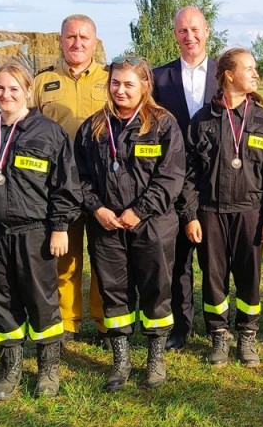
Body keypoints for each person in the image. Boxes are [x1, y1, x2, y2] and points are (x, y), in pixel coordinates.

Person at [0, 63, 80, 400]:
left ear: (28, 90)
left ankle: (48, 368)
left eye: (14, 88)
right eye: (0, 88)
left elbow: (65, 186)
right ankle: (10, 366)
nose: (6, 94)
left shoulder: (49, 132)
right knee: (0, 302)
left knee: (41, 301)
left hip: (33, 232)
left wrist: (59, 227)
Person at [75, 57, 184, 390]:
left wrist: (140, 210)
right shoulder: (93, 127)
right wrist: (97, 209)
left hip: (152, 225)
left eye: (128, 84)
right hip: (107, 226)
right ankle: (120, 362)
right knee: (113, 291)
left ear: (145, 86)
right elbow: (79, 177)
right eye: (115, 83)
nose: (120, 90)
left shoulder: (164, 125)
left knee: (156, 290)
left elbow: (171, 177)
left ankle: (155, 359)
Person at [181, 49, 263, 367]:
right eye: (249, 69)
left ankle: (247, 334)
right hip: (210, 214)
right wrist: (190, 215)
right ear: (228, 74)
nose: (256, 74)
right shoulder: (201, 121)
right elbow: (187, 174)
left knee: (248, 276)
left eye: (255, 69)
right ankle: (218, 335)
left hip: (250, 213)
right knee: (213, 277)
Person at [33, 14, 109, 342]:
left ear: (94, 41)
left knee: (106, 256)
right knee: (66, 257)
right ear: (60, 40)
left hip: (105, 183)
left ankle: (108, 323)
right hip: (59, 185)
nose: (76, 43)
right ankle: (68, 323)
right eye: (70, 37)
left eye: (84, 37)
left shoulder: (111, 79)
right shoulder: (41, 83)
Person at [152, 7, 218, 351]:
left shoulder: (226, 73)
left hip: (217, 180)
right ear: (174, 34)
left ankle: (217, 325)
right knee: (178, 260)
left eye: (195, 29)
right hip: (172, 180)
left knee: (214, 259)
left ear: (207, 31)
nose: (189, 37)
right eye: (182, 31)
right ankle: (180, 326)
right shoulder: (159, 77)